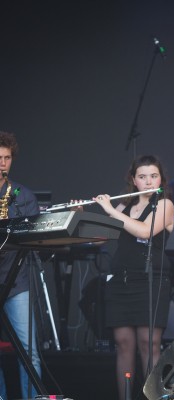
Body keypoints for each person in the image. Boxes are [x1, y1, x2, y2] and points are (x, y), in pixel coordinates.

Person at [93, 155, 174, 400]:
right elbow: (100, 237)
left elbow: (143, 230)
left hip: (150, 279)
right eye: (142, 177)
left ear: (161, 178)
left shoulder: (164, 204)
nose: (149, 181)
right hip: (121, 279)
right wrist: (80, 214)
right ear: (133, 180)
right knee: (123, 343)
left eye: (153, 176)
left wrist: (109, 210)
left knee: (149, 344)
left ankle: (154, 397)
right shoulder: (124, 205)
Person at [0, 131, 41, 400]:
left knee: (29, 351)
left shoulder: (22, 195)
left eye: (7, 158)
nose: (2, 162)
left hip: (16, 281)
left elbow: (34, 236)